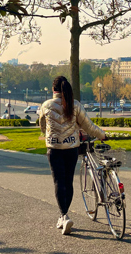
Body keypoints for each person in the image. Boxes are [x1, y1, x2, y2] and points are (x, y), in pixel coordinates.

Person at [38, 76, 106, 235]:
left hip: (54, 148)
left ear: (53, 90)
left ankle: (64, 215)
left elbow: (42, 125)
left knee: (58, 182)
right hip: (71, 148)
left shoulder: (46, 105)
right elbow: (89, 126)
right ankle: (64, 214)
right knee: (68, 181)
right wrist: (102, 135)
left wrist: (47, 133)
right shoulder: (75, 105)